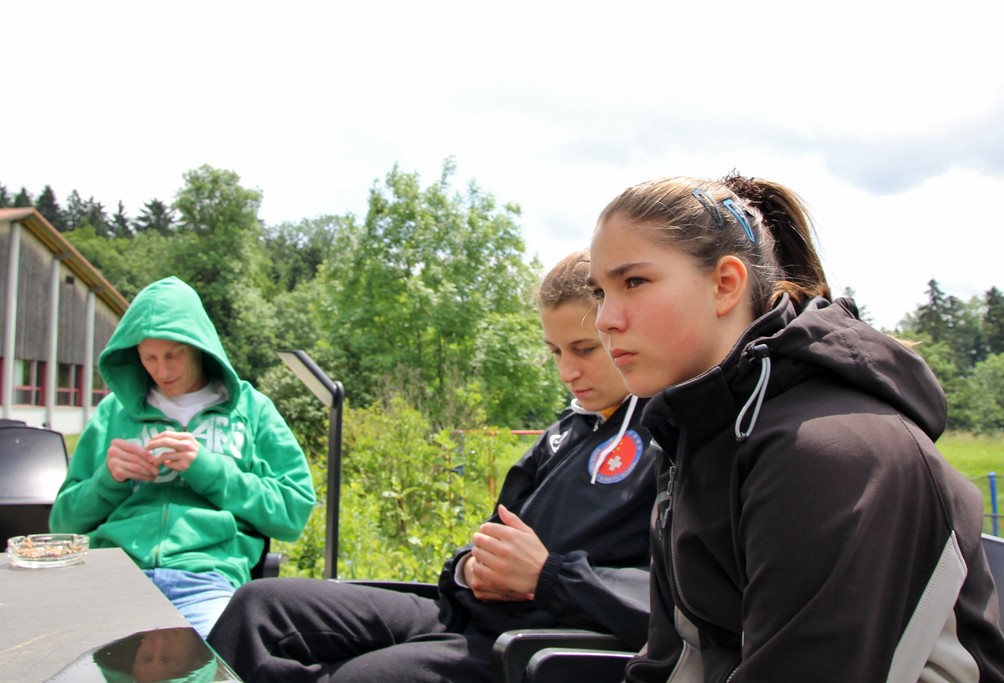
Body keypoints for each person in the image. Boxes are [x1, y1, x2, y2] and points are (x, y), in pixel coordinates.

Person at [587, 173, 1004, 682]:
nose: (605, 319)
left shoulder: (833, 452)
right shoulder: (690, 436)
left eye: (634, 282)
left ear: (725, 284)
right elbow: (675, 659)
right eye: (600, 292)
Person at [206, 249, 660, 682]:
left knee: (357, 677)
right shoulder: (565, 433)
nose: (566, 372)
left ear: (619, 331)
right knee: (258, 607)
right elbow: (492, 532)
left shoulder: (668, 440)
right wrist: (469, 567)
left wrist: (549, 577)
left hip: (533, 645)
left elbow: (671, 605)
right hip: (462, 612)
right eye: (556, 352)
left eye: (584, 350)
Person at [50, 276, 316, 639]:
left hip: (205, 580)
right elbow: (62, 523)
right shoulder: (113, 412)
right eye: (149, 357)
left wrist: (209, 470)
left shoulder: (252, 410)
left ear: (199, 347)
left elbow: (293, 513)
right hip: (114, 577)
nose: (162, 370)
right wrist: (107, 481)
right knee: (64, 658)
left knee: (212, 661)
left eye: (173, 355)